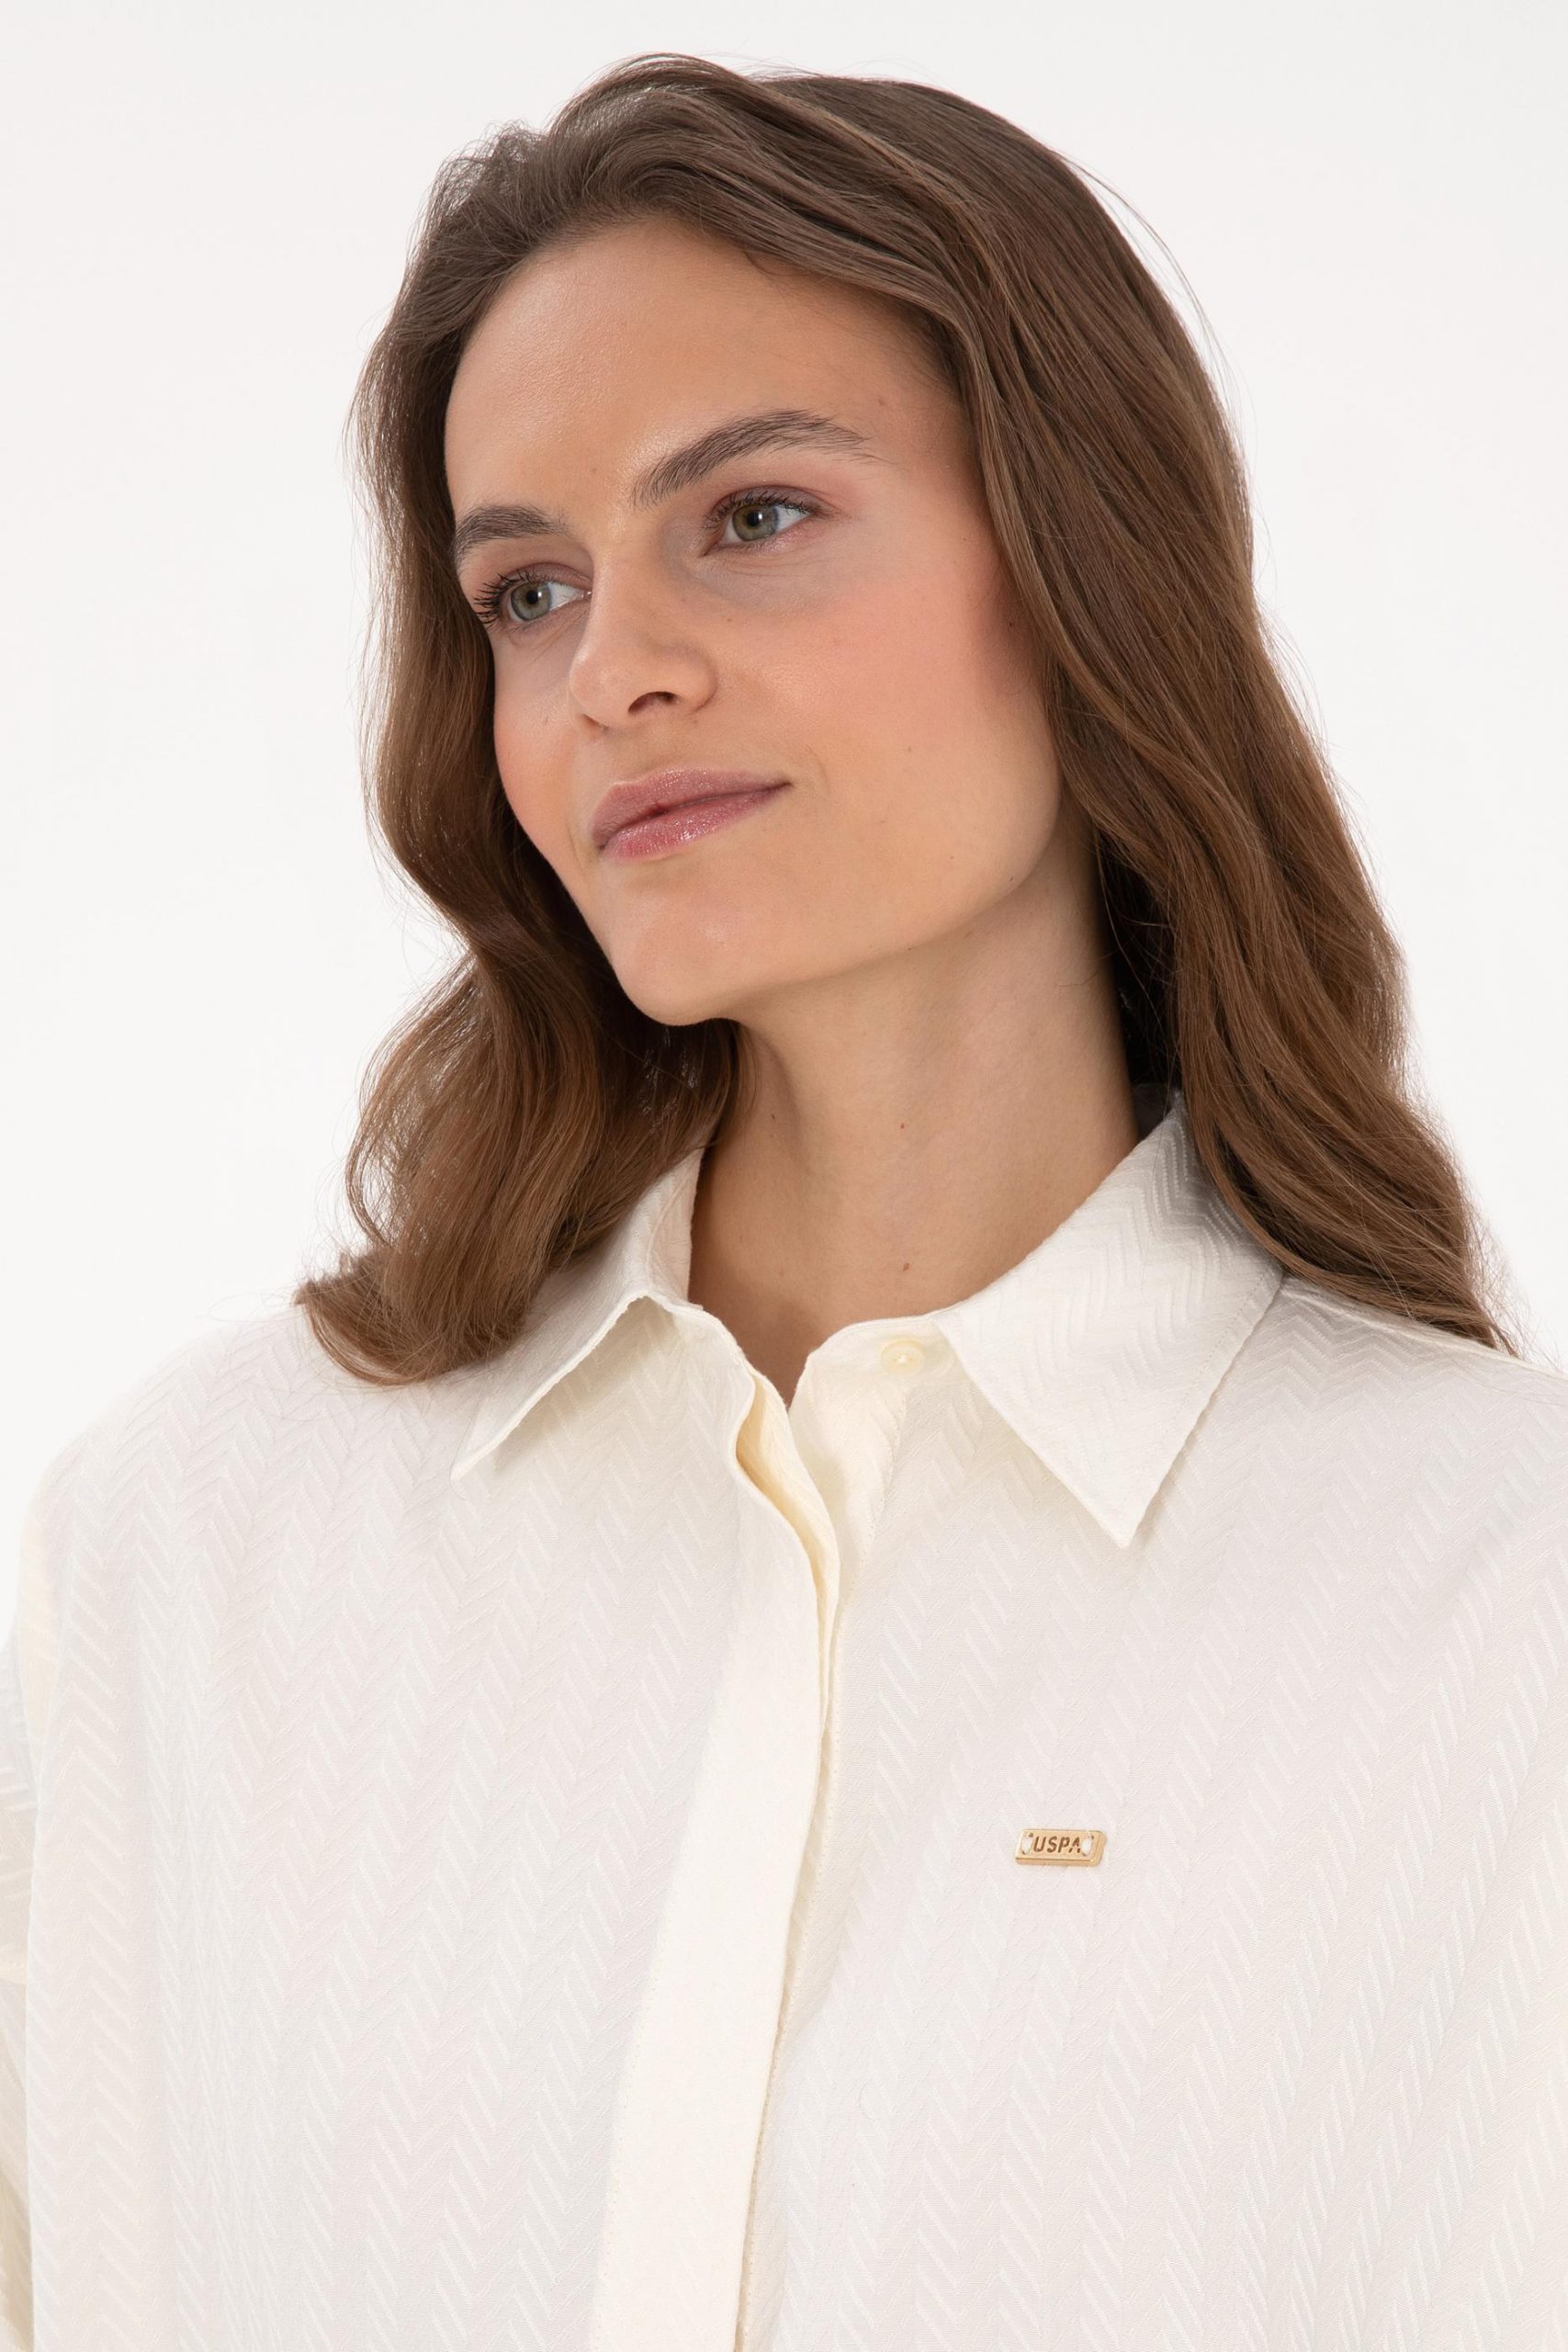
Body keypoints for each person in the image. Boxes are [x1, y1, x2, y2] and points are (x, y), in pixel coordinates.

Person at [2, 51, 1563, 2352]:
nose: (608, 671)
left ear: (1081, 560)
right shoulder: (195, 1552)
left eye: (749, 515)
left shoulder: (1501, 1606)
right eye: (526, 588)